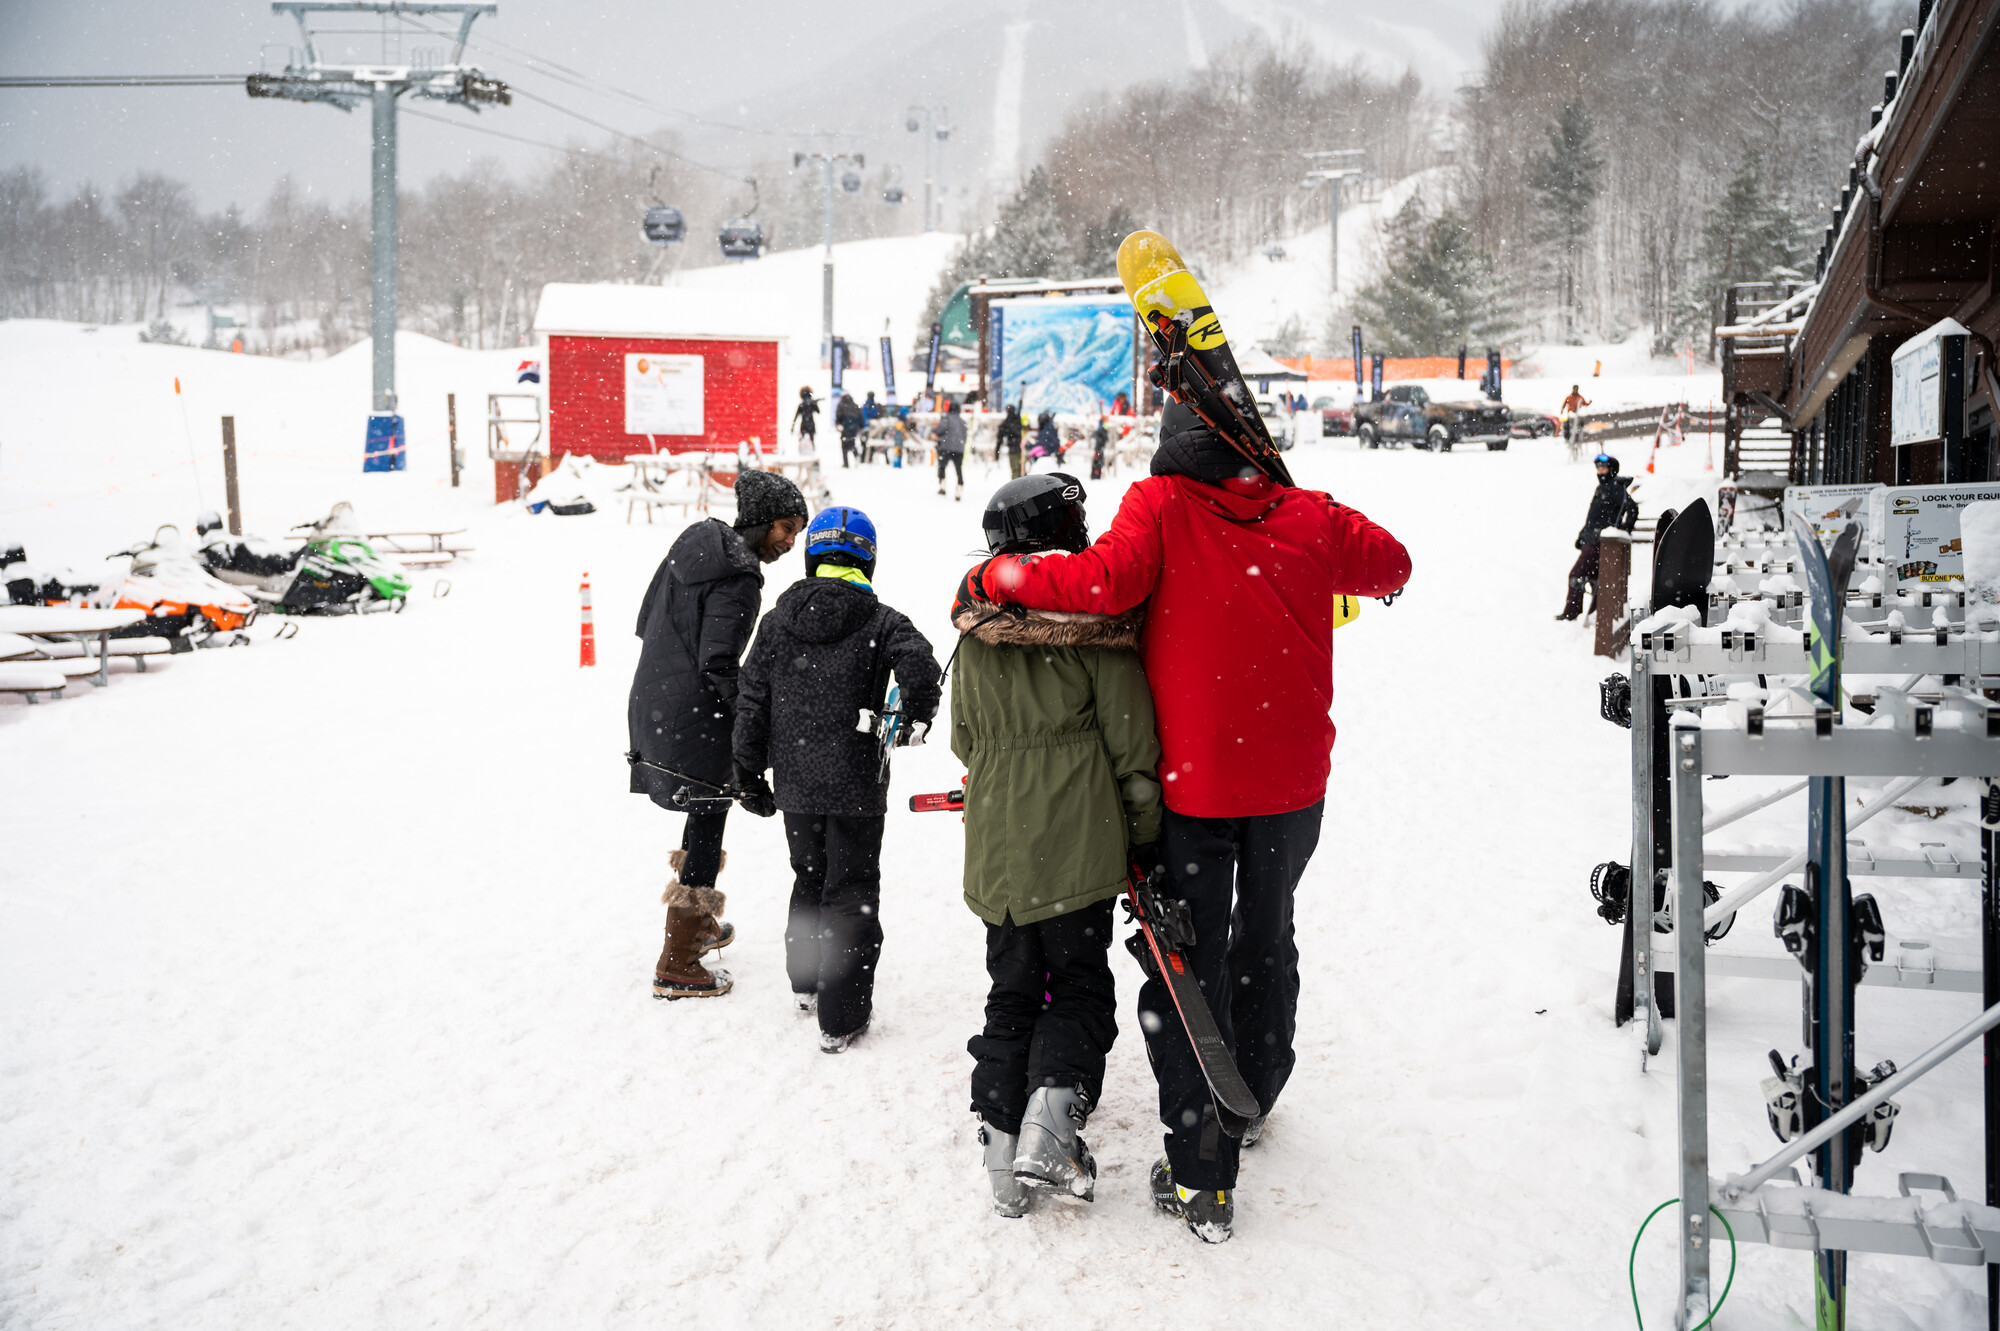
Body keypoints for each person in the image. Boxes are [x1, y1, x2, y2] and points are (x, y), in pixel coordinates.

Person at [962, 400, 1411, 1242]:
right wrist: (1296, 505)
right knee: (1267, 935)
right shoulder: (1307, 513)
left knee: (1185, 967)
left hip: (1196, 785)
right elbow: (1392, 564)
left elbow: (1097, 585)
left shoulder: (1161, 504)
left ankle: (1203, 1172)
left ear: (1176, 448)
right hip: (1291, 784)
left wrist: (1001, 578)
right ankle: (1255, 1090)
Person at [950, 474, 1163, 1218]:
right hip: (1075, 846)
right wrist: (1142, 842)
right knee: (1077, 986)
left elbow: (963, 741)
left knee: (1011, 994)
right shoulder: (1095, 632)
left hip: (997, 852)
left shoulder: (974, 630)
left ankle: (1002, 1154)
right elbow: (1133, 751)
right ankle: (1052, 1122)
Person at [733, 506, 942, 1052]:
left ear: (813, 555)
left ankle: (806, 985)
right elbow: (921, 663)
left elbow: (751, 699)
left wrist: (749, 772)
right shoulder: (883, 620)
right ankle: (841, 1016)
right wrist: (916, 716)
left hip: (797, 780)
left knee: (808, 876)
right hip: (857, 779)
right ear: (868, 561)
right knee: (850, 892)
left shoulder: (777, 621)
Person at [629, 469, 810, 1000]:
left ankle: (697, 925)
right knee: (708, 815)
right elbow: (720, 664)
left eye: (797, 529)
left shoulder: (692, 549)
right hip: (696, 713)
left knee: (703, 812)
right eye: (783, 526)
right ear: (756, 520)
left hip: (655, 699)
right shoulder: (739, 573)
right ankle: (678, 962)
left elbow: (645, 622)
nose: (789, 540)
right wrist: (753, 719)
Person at [1557, 453, 1638, 621]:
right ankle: (1596, 614)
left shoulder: (1615, 487)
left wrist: (1623, 530)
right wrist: (1582, 535)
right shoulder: (1602, 488)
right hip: (1592, 540)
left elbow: (1632, 509)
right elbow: (1594, 517)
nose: (1600, 472)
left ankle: (1573, 612)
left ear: (1611, 470)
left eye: (1603, 468)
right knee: (1595, 578)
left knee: (1576, 574)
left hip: (1599, 542)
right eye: (1598, 468)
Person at [935, 398, 968, 500]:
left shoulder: (946, 419)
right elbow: (965, 436)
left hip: (946, 447)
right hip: (959, 449)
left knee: (942, 466)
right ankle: (959, 489)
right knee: (958, 469)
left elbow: (940, 430)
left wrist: (934, 430)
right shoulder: (963, 422)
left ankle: (942, 486)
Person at [835, 392, 865, 468]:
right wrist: (861, 426)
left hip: (846, 426)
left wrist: (838, 423)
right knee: (852, 443)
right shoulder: (854, 405)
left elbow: (838, 416)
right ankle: (857, 457)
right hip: (854, 427)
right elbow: (860, 416)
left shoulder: (841, 405)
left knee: (844, 445)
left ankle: (846, 463)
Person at [996, 404, 1025, 480]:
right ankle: (1021, 486)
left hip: (1012, 449)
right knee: (1021, 470)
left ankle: (1016, 488)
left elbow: (999, 439)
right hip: (1021, 449)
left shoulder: (1006, 423)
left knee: (1015, 470)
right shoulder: (1017, 420)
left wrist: (997, 453)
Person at [1560, 384, 1592, 449]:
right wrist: (1562, 410)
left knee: (1580, 425)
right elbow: (1564, 404)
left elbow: (1585, 404)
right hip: (1570, 415)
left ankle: (1579, 437)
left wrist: (1589, 403)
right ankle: (1567, 438)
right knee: (1567, 426)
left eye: (1576, 389)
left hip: (1577, 415)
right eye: (1574, 389)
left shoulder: (1580, 397)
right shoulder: (1569, 397)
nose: (1575, 390)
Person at [1089, 417, 1110, 481]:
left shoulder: (1102, 428)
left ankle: (1097, 474)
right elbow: (1100, 438)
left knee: (1099, 461)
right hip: (1099, 448)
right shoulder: (1101, 429)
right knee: (1098, 461)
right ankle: (1096, 474)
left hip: (1100, 448)